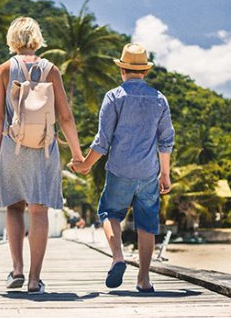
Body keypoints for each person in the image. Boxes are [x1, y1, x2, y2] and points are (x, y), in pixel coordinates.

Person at [0, 17, 84, 294]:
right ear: (37, 39)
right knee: (39, 210)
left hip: (11, 146)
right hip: (44, 146)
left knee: (15, 206)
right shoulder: (51, 70)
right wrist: (77, 155)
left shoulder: (3, 70)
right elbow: (65, 116)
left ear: (12, 39)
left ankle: (17, 269)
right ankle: (34, 279)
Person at [69, 43, 174, 293]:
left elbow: (103, 140)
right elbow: (166, 139)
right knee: (146, 223)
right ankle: (144, 279)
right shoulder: (159, 99)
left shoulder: (114, 96)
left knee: (109, 214)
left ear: (122, 70)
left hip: (119, 170)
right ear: (145, 72)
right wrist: (165, 173)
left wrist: (84, 164)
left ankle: (117, 257)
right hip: (148, 173)